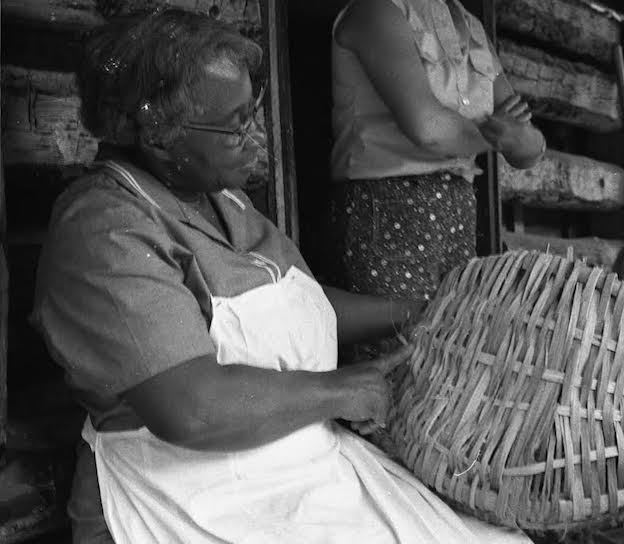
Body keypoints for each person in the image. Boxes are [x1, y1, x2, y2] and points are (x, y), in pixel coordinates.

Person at [32, 10, 531, 544]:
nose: (257, 139)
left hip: (297, 472)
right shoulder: (106, 230)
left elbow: (299, 309)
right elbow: (192, 409)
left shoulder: (224, 201)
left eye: (254, 115)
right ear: (157, 135)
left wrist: (421, 311)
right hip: (188, 498)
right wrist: (342, 390)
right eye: (235, 126)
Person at [330, 0, 546, 300]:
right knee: (397, 336)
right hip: (389, 204)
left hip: (456, 206)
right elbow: (427, 127)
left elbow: (529, 148)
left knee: (446, 338)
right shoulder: (377, 10)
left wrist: (521, 140)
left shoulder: (469, 25)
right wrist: (501, 137)